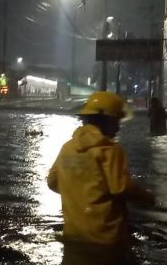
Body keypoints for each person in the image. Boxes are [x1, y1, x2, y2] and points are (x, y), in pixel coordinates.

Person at [46, 91, 155, 245]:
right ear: (107, 121)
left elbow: (52, 182)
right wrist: (148, 198)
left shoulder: (67, 148)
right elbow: (121, 188)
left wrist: (79, 194)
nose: (118, 128)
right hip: (106, 238)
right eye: (116, 122)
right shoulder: (110, 150)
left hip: (72, 234)